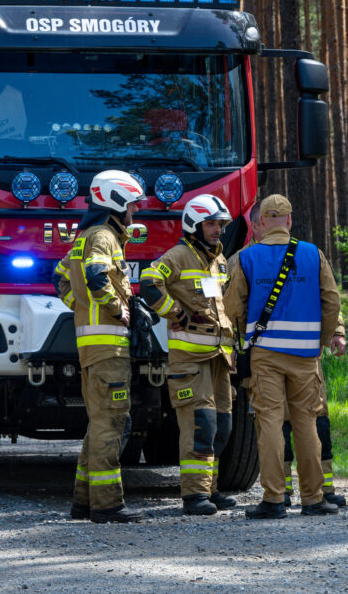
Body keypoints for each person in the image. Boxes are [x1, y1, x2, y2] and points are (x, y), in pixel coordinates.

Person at [223, 194, 346, 519]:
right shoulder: (312, 254)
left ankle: (275, 499)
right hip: (305, 355)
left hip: (264, 354)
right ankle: (314, 498)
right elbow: (332, 302)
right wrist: (319, 340)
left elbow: (233, 307)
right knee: (307, 423)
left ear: (261, 223)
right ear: (290, 221)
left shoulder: (247, 258)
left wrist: (242, 339)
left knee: (270, 424)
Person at [52, 170, 145, 523]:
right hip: (108, 347)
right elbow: (95, 277)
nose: (135, 212)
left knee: (98, 422)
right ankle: (107, 504)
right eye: (132, 205)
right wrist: (116, 308)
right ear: (116, 202)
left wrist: (79, 306)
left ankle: (82, 501)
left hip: (91, 347)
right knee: (112, 421)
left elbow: (59, 276)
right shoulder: (105, 237)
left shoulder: (85, 236)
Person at [139, 194, 237, 516]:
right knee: (201, 425)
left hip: (219, 360)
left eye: (220, 224)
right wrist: (174, 312)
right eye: (211, 224)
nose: (217, 230)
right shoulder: (178, 256)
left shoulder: (219, 261)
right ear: (194, 225)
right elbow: (149, 283)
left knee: (221, 426)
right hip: (189, 362)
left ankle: (211, 489)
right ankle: (194, 496)